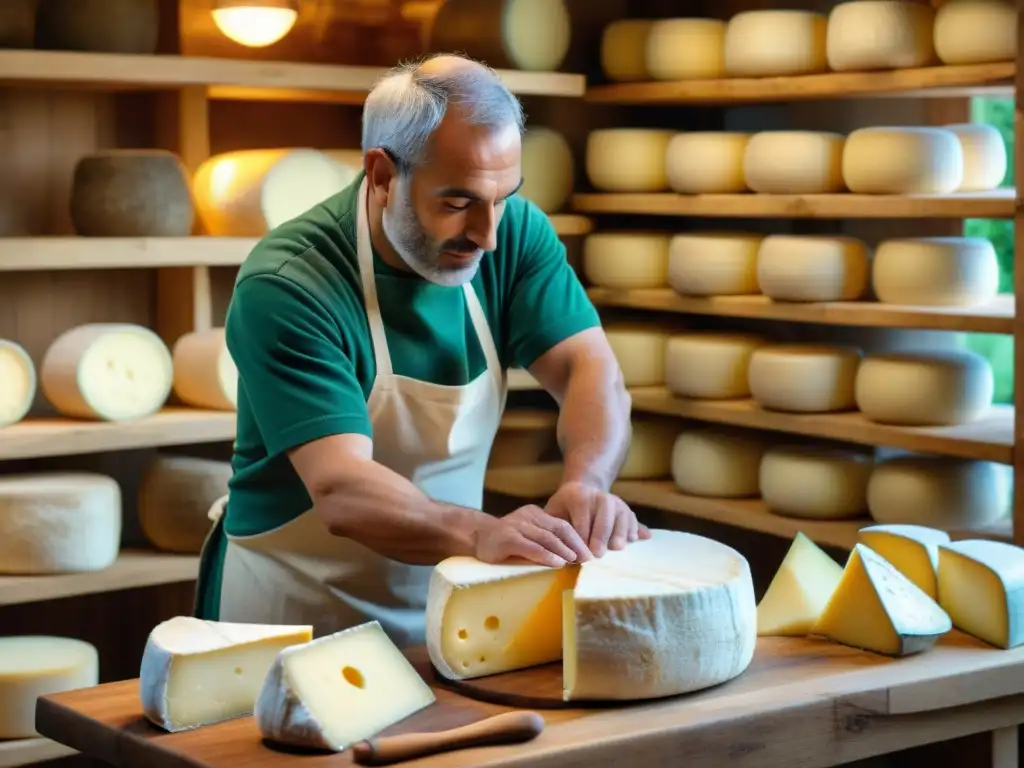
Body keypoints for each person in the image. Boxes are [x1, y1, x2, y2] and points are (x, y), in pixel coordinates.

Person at [193, 52, 647, 647]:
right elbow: (342, 489)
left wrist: (587, 481)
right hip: (292, 610)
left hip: (448, 601)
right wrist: (480, 533)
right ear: (382, 175)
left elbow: (592, 371)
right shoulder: (289, 283)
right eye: (457, 204)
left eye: (503, 197)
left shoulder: (511, 233)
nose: (486, 235)